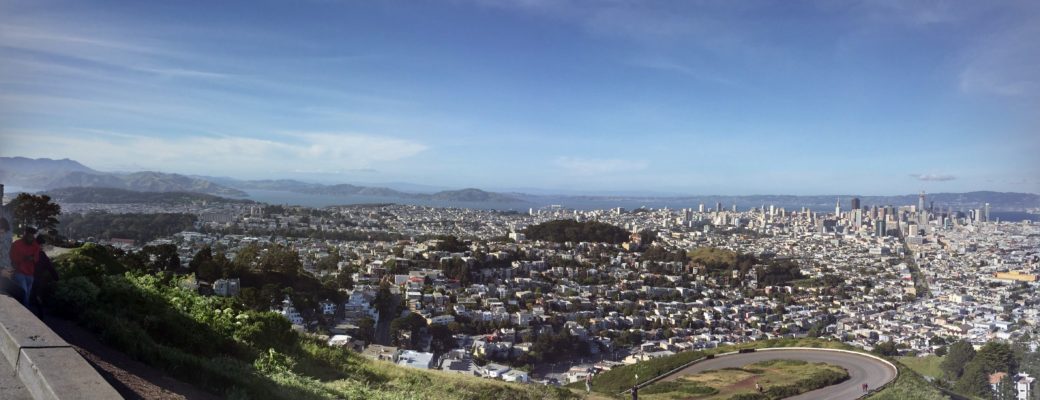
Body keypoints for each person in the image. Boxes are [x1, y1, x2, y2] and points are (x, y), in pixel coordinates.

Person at [9, 226, 40, 306]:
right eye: (29, 236)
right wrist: (23, 258)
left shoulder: (35, 245)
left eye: (32, 236)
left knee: (27, 294)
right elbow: (12, 257)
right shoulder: (16, 244)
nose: (31, 238)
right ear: (25, 235)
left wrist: (32, 258)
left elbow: (37, 258)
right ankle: (25, 311)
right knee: (24, 293)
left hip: (30, 273)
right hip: (19, 272)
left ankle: (23, 309)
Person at [31, 235, 60, 313]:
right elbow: (50, 267)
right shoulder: (42, 255)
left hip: (28, 277)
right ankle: (39, 315)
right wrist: (56, 278)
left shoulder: (30, 251)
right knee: (37, 297)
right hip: (37, 279)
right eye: (42, 245)